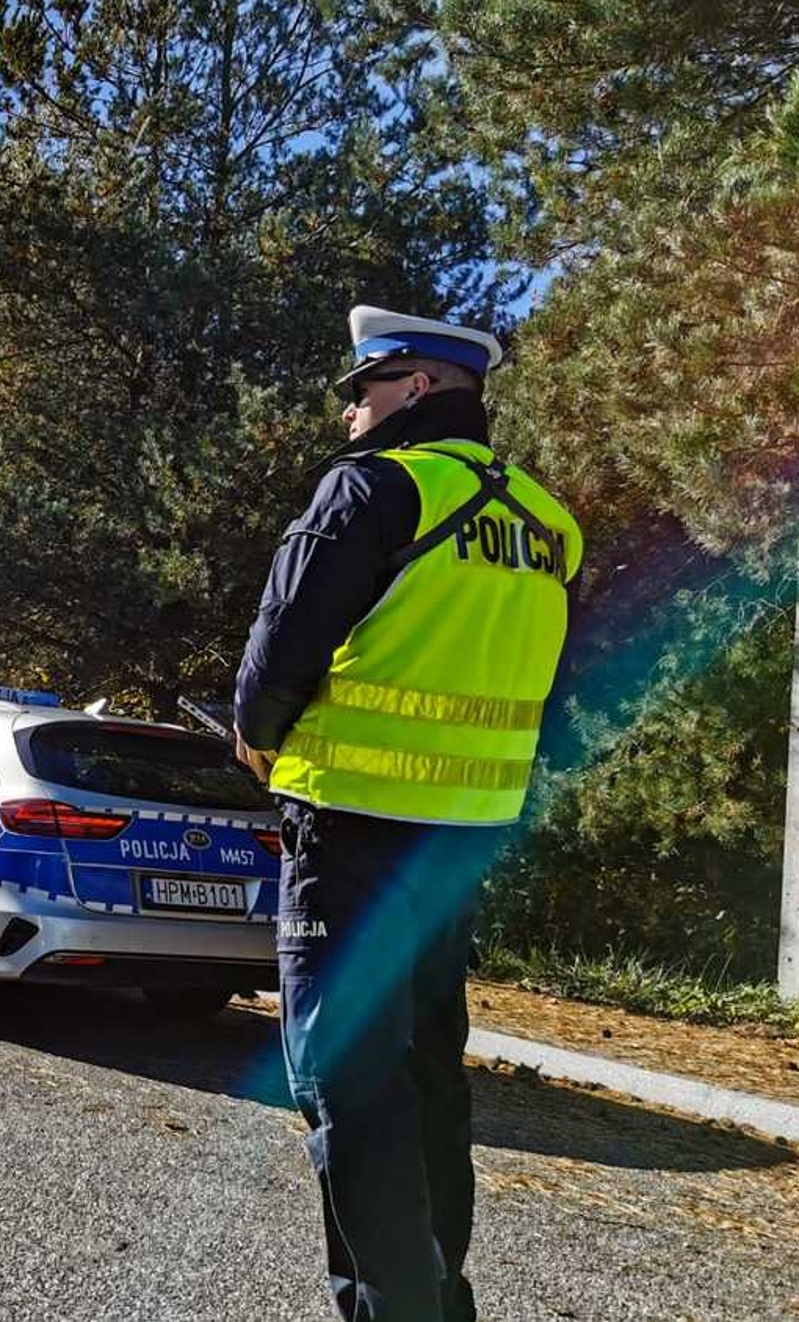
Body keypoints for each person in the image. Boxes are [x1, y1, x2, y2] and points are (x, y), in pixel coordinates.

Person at [233, 306, 583, 1322]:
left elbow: (281, 648)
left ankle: (396, 1309)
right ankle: (438, 1295)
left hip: (350, 825)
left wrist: (256, 738)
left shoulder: (374, 487)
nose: (349, 412)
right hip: (463, 835)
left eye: (362, 390)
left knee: (346, 1079)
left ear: (415, 388)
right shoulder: (546, 524)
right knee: (428, 1072)